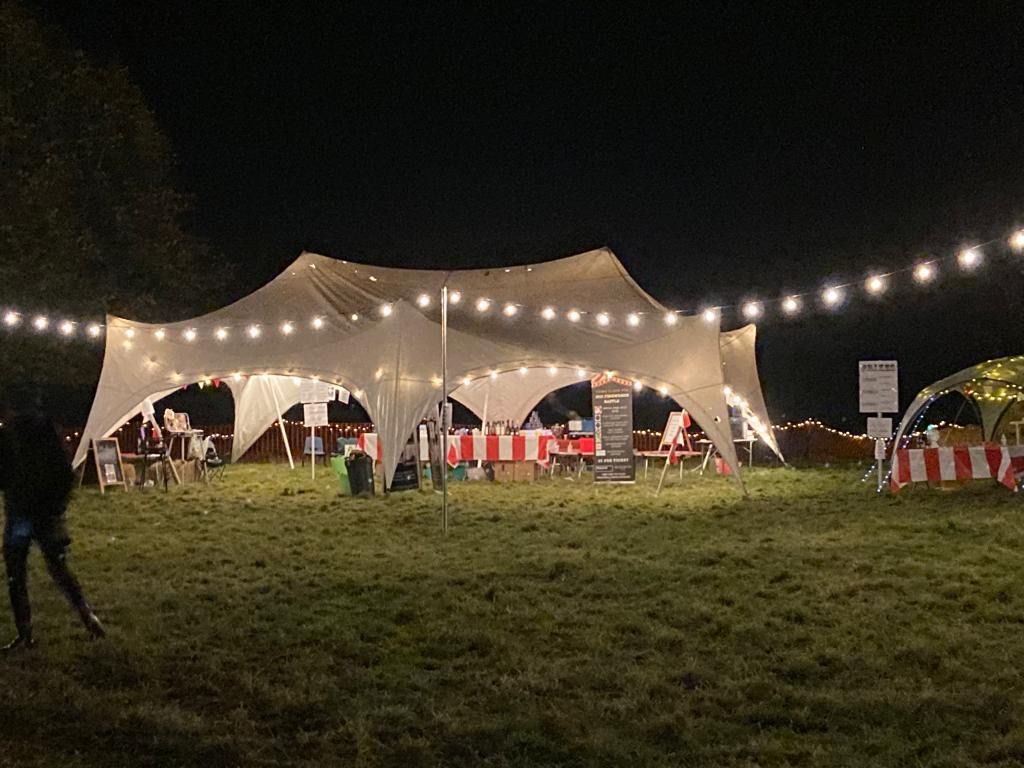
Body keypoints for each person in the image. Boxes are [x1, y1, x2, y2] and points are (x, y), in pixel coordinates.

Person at [0, 388, 105, 651]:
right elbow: (65, 474)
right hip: (46, 513)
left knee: (16, 575)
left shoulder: (9, 434)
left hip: (21, 512)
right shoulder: (48, 431)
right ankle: (87, 616)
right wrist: (58, 506)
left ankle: (25, 634)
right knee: (59, 569)